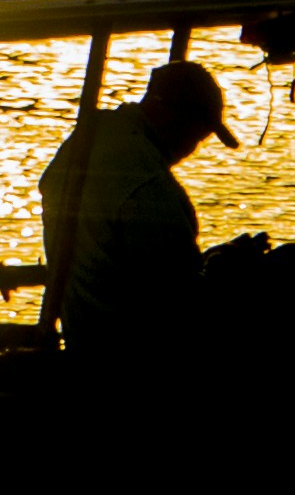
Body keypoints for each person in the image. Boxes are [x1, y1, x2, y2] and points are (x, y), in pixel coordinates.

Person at [38, 58, 238, 378]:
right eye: (195, 138)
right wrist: (228, 274)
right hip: (131, 357)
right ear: (167, 115)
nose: (191, 151)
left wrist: (213, 261)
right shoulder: (146, 185)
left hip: (84, 335)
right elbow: (179, 300)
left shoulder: (91, 137)